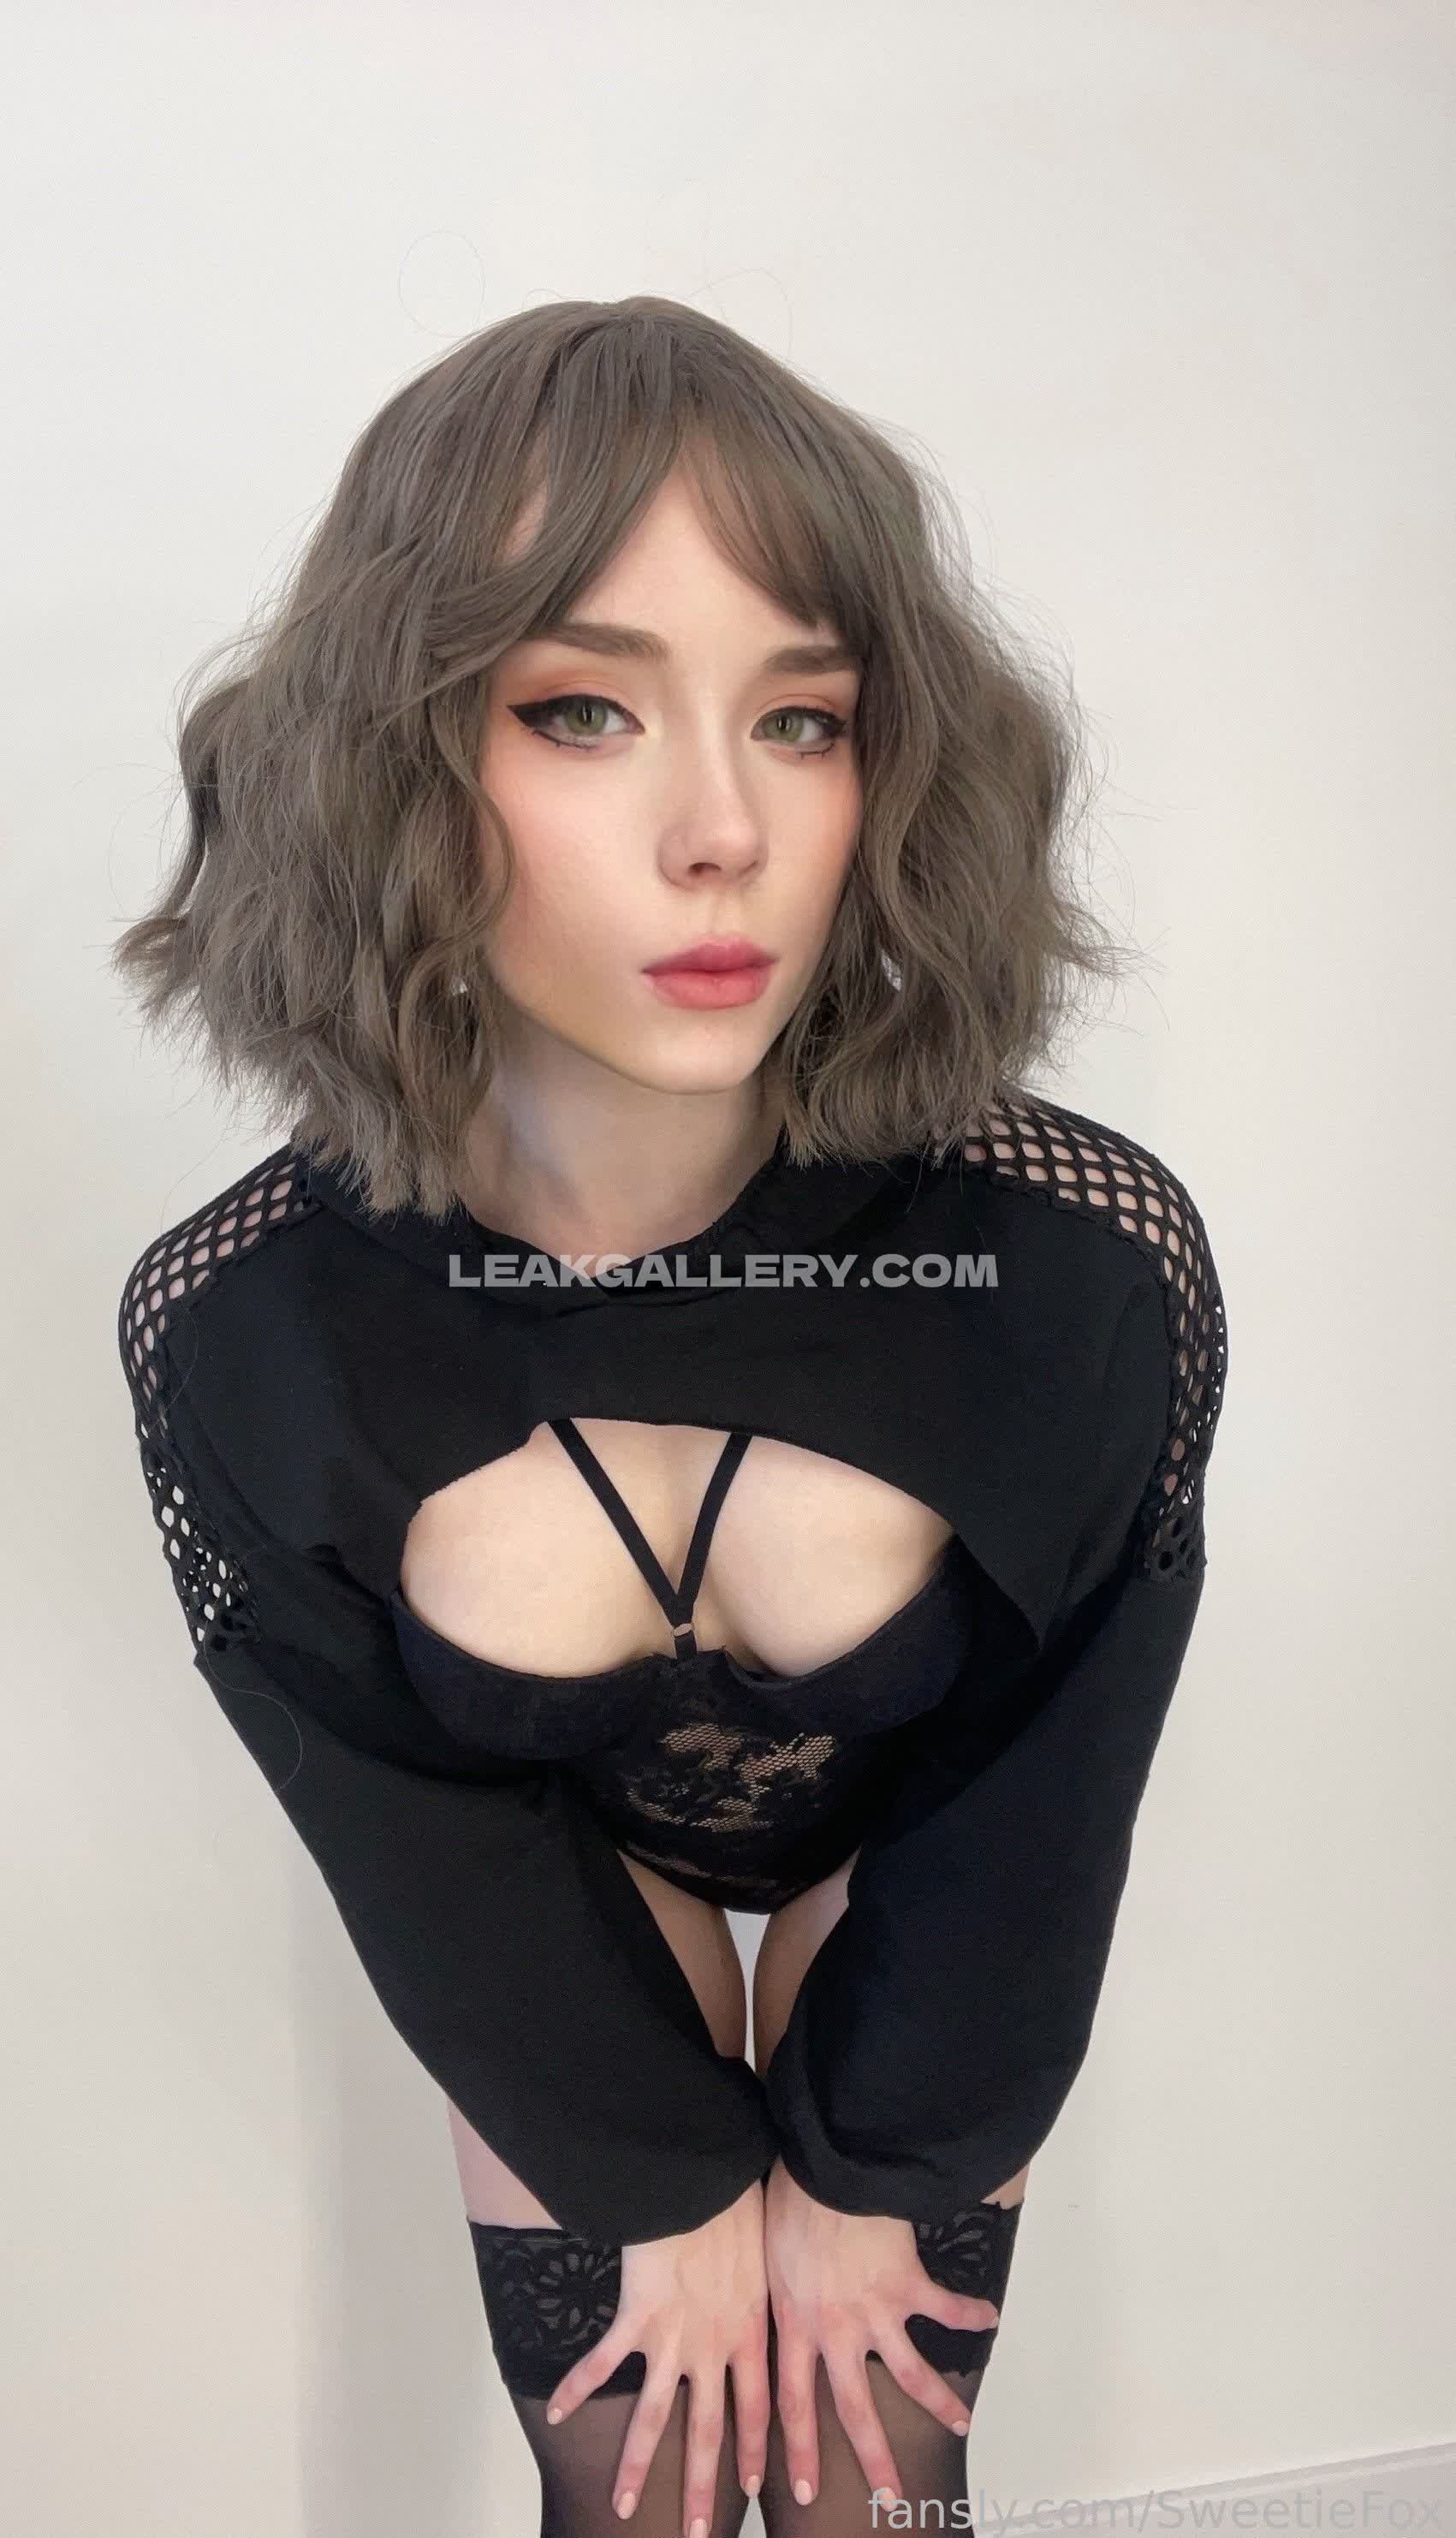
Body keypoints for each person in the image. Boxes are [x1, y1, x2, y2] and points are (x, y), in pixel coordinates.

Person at [111, 296, 1227, 2538]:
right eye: (582, 710)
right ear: (391, 760)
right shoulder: (250, 1335)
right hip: (554, 1884)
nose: (726, 831)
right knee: (636, 2488)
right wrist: (661, 2177)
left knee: (870, 2487)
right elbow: (412, 1824)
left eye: (802, 718)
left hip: (918, 1866)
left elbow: (1043, 1790)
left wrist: (872, 2169)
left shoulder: (1071, 1266)